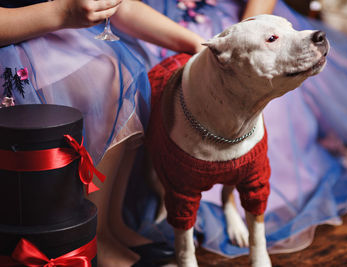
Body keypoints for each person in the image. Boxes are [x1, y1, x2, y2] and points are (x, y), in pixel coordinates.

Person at [122, 0, 347, 258]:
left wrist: (253, 32)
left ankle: (230, 204)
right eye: (273, 39)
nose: (309, 37)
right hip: (155, 24)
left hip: (241, 16)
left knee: (254, 160)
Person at [0, 0, 205, 266]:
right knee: (103, 74)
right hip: (13, 37)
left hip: (56, 29)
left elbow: (119, 5)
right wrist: (63, 12)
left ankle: (110, 222)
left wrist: (195, 43)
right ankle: (93, 235)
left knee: (127, 64)